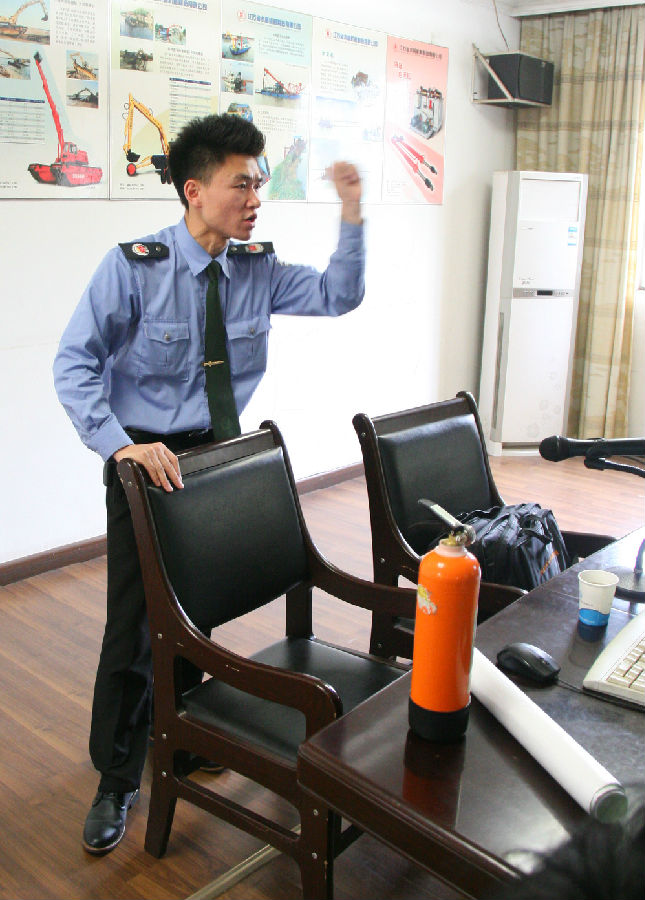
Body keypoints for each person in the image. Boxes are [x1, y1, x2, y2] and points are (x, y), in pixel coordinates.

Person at [53, 113, 364, 856]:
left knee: (197, 613)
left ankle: (185, 737)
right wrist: (121, 448)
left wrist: (352, 212)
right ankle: (116, 776)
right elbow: (74, 363)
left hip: (219, 457)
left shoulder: (257, 268)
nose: (255, 199)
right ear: (194, 190)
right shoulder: (135, 267)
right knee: (136, 623)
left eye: (259, 183)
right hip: (147, 460)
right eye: (240, 184)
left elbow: (338, 295)